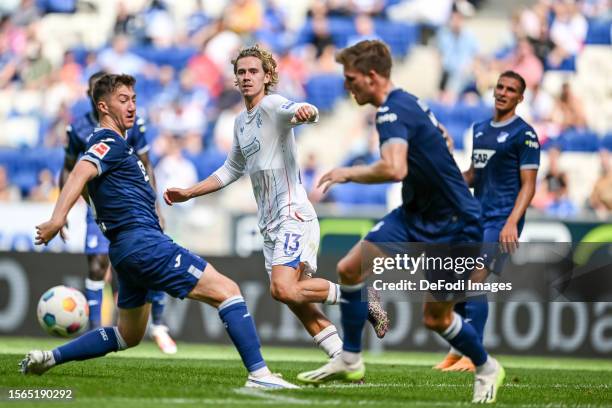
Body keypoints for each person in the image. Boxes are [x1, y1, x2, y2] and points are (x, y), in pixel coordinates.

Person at [21, 73, 296, 389]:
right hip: (143, 243)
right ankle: (260, 375)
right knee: (228, 291)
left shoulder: (120, 145)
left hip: (125, 250)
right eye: (123, 100)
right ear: (103, 106)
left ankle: (49, 357)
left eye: (134, 100)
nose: (132, 106)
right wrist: (58, 217)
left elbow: (91, 185)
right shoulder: (106, 141)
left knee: (128, 335)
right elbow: (80, 171)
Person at [295, 40, 504, 404]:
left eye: (351, 79)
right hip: (414, 215)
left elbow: (395, 168)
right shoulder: (408, 103)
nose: (347, 87)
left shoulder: (392, 111)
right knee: (349, 269)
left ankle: (487, 367)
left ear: (372, 77)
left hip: (453, 224)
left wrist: (348, 173)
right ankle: (350, 358)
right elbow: (441, 137)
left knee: (436, 319)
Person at [164, 45, 389, 362]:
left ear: (267, 76)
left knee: (282, 289)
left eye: (253, 71)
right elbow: (230, 169)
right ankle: (346, 362)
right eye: (241, 72)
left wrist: (307, 112)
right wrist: (190, 192)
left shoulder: (272, 105)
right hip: (270, 224)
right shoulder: (241, 123)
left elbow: (297, 110)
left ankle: (361, 297)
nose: (246, 77)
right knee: (297, 300)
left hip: (292, 215)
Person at [61, 71, 177, 354]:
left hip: (131, 203)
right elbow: (69, 168)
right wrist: (62, 211)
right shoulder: (77, 129)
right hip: (97, 204)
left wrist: (154, 206)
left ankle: (158, 324)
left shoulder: (131, 122)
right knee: (98, 264)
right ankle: (93, 330)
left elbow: (146, 163)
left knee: (146, 259)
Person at [435, 71, 540, 372]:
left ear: (520, 98)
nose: (503, 93)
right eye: (500, 87)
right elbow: (472, 175)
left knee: (474, 280)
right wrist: (446, 166)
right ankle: (457, 351)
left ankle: (474, 354)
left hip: (502, 220)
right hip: (476, 218)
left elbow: (529, 185)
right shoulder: (480, 130)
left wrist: (512, 223)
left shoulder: (524, 134)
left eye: (511, 90)